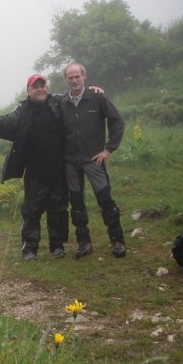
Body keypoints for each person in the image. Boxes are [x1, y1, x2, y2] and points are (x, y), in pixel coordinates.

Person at [0, 74, 68, 261]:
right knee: (32, 211)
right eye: (35, 87)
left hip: (58, 168)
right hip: (34, 170)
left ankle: (57, 246)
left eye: (42, 86)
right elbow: (6, 123)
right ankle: (29, 249)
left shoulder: (57, 102)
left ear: (46, 87)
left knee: (58, 208)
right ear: (28, 90)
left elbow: (77, 98)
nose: (40, 89)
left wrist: (93, 90)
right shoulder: (22, 109)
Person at [60, 62, 126, 258]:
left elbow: (117, 121)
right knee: (77, 204)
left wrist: (108, 149)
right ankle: (84, 243)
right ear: (66, 80)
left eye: (77, 76)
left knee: (105, 200)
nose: (74, 80)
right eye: (70, 77)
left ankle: (117, 241)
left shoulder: (97, 97)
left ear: (84, 77)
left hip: (93, 160)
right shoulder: (62, 102)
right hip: (71, 162)